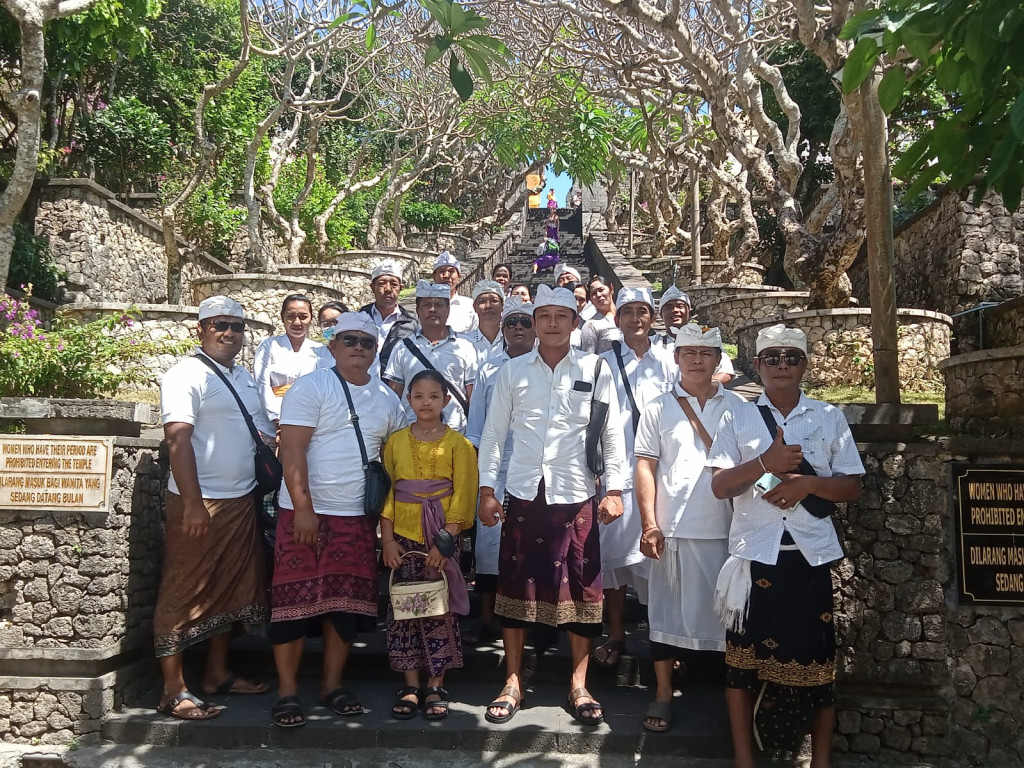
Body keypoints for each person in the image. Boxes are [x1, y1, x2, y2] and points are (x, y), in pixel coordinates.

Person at [708, 324, 864, 768]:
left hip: (807, 558)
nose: (781, 365)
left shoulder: (828, 416)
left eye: (791, 358)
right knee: (741, 666)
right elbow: (720, 486)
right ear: (756, 365)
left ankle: (821, 761)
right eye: (772, 357)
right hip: (754, 558)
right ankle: (744, 759)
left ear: (805, 366)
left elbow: (851, 487)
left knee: (818, 665)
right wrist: (765, 463)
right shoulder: (736, 416)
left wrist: (807, 483)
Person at [477, 284, 627, 726]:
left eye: (562, 316)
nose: (553, 323)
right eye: (544, 316)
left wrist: (614, 489)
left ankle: (579, 683)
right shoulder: (512, 372)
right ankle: (512, 681)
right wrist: (487, 489)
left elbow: (611, 433)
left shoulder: (596, 367)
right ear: (534, 322)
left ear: (575, 322)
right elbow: (492, 434)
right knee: (515, 587)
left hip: (577, 493)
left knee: (581, 587)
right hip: (524, 492)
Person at [270, 312, 406, 728]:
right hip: (306, 511)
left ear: (376, 350)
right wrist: (304, 508)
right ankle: (287, 690)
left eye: (367, 342)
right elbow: (291, 450)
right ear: (332, 345)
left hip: (355, 515)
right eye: (350, 340)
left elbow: (392, 459)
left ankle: (331, 684)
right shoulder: (312, 387)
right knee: (293, 603)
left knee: (345, 608)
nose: (359, 348)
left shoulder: (387, 398)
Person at [154, 295, 271, 721]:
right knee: (184, 589)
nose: (229, 333)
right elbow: (177, 440)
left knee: (231, 588)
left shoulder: (243, 378)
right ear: (201, 329)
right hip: (199, 503)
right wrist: (193, 503)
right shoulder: (185, 374)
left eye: (236, 326)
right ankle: (172, 688)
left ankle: (217, 673)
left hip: (241, 499)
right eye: (220, 324)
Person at [633, 324, 746, 733]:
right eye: (689, 353)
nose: (697, 360)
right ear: (677, 359)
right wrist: (649, 522)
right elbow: (645, 465)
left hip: (727, 528)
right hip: (672, 527)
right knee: (665, 613)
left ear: (719, 360)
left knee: (728, 615)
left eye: (706, 353)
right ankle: (662, 692)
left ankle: (732, 693)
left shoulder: (740, 408)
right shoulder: (658, 408)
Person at [381, 370, 479, 721]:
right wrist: (388, 539)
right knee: (404, 609)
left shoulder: (459, 444)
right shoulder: (395, 442)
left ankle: (436, 682)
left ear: (446, 400)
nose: (426, 402)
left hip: (441, 536)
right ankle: (410, 684)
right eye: (419, 396)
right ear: (408, 399)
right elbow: (388, 491)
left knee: (438, 608)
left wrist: (446, 540)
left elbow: (464, 494)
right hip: (404, 536)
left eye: (434, 396)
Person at [592, 288, 677, 670]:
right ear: (617, 318)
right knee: (612, 561)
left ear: (652, 317)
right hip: (615, 473)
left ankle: (662, 637)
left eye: (643, 311)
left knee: (657, 556)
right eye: (628, 312)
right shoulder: (601, 363)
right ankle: (615, 634)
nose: (635, 319)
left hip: (661, 473)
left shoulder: (669, 362)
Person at [464, 297, 536, 645]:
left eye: (525, 321)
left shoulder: (547, 368)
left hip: (537, 470)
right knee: (490, 545)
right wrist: (480, 479)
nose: (519, 328)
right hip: (496, 468)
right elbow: (476, 424)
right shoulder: (488, 369)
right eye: (512, 323)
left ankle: (536, 618)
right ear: (503, 330)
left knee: (536, 545)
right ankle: (488, 616)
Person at [384, 280, 477, 435]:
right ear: (418, 311)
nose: (433, 309)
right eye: (427, 305)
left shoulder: (465, 346)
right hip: (411, 434)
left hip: (455, 435)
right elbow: (393, 397)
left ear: (448, 310)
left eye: (439, 305)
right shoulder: (402, 348)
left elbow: (473, 398)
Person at [253, 294, 325, 426]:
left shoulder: (321, 350)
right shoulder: (269, 346)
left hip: (311, 418)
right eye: (291, 316)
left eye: (303, 317)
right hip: (273, 417)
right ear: (282, 317)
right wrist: (277, 417)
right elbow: (262, 383)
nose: (297, 322)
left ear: (311, 318)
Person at [655, 286, 736, 385]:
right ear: (660, 315)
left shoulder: (705, 338)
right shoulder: (653, 344)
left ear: (689, 313)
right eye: (668, 307)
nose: (675, 310)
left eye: (680, 306)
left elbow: (726, 371)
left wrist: (701, 389)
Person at [361, 261, 415, 372]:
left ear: (401, 288)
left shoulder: (411, 322)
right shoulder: (359, 318)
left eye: (394, 284)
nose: (388, 289)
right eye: (382, 283)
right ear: (372, 287)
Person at [462, 280, 505, 367]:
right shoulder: (465, 342)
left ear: (502, 306)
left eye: (494, 301)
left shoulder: (511, 341)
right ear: (475, 307)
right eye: (482, 301)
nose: (488, 306)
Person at [433, 251, 478, 334]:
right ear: (434, 277)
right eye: (441, 271)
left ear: (459, 277)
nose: (446, 276)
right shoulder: (427, 306)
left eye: (451, 271)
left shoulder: (469, 305)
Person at [580, 276, 620, 355]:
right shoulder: (591, 325)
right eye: (594, 293)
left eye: (601, 290)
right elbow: (588, 357)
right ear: (591, 300)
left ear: (611, 289)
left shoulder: (627, 317)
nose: (598, 295)